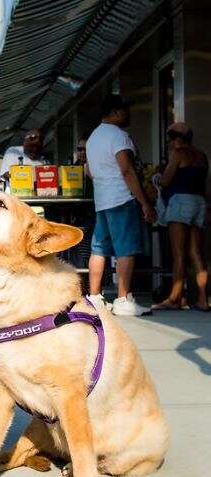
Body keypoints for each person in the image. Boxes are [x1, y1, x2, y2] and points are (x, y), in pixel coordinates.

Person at [86, 94, 157, 316]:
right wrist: (145, 203)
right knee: (125, 249)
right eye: (125, 111)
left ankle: (95, 298)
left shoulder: (93, 138)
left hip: (102, 200)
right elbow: (127, 170)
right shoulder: (119, 136)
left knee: (99, 249)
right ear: (116, 112)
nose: (129, 115)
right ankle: (123, 299)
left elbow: (89, 170)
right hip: (121, 198)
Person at [152, 122, 209, 311]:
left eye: (170, 139)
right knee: (196, 252)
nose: (169, 143)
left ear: (177, 139)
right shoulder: (201, 156)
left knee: (178, 253)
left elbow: (166, 180)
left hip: (181, 203)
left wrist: (158, 176)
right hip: (199, 203)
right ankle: (203, 299)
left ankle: (174, 298)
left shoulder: (178, 154)